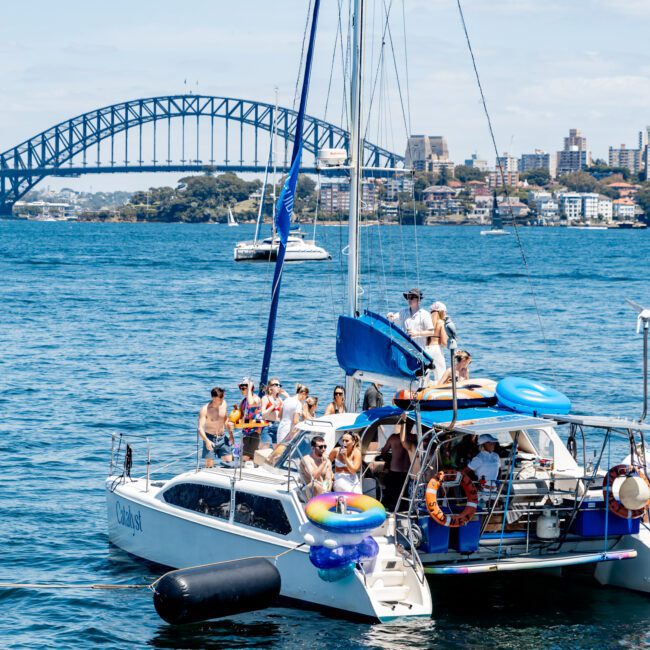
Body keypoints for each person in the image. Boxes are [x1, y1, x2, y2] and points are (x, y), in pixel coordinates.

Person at [227, 377, 262, 461]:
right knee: (245, 456)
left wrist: (249, 389)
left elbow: (251, 403)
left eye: (244, 388)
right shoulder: (243, 402)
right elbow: (241, 416)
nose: (241, 390)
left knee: (248, 456)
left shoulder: (256, 399)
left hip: (255, 432)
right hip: (246, 432)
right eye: (241, 388)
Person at [198, 387, 234, 467]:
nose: (222, 400)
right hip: (210, 439)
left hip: (222, 437)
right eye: (220, 398)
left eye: (223, 397)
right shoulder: (205, 409)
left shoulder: (224, 404)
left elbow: (225, 420)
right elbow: (200, 428)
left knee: (230, 464)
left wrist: (231, 435)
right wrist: (207, 441)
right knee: (209, 466)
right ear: (213, 398)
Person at [380, 430, 411, 511]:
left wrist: (389, 460)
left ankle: (393, 511)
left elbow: (383, 452)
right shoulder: (413, 438)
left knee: (394, 496)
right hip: (408, 471)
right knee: (405, 495)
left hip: (395, 469)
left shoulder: (393, 437)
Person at [419, 301, 448, 383]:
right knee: (441, 374)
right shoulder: (441, 322)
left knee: (425, 374)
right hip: (436, 349)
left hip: (425, 349)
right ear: (441, 312)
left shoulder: (426, 322)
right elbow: (444, 342)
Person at [260, 378, 288, 449]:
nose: (278, 386)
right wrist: (273, 406)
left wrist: (287, 396)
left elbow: (292, 405)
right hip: (268, 426)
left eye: (279, 385)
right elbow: (263, 414)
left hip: (278, 426)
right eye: (275, 385)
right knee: (265, 448)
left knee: (278, 450)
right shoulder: (266, 398)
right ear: (270, 387)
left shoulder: (280, 399)